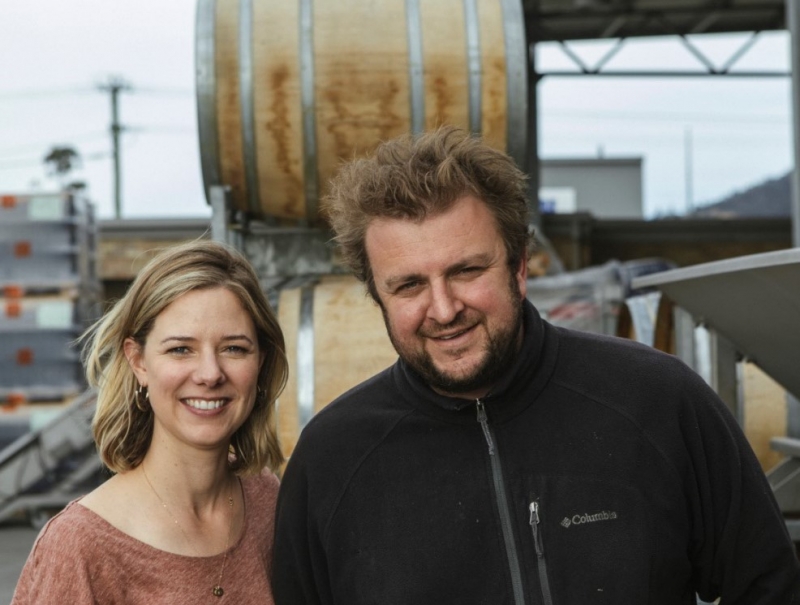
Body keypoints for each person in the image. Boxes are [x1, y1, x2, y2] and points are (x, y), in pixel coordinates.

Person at [271, 126, 800, 604]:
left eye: (466, 270)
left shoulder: (658, 400)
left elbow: (769, 587)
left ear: (520, 266)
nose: (444, 308)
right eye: (408, 284)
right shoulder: (331, 461)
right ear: (378, 296)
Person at [12, 240, 288, 604]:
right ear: (139, 362)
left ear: (260, 362)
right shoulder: (81, 546)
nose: (210, 373)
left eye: (234, 348)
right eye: (180, 349)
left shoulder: (268, 499)